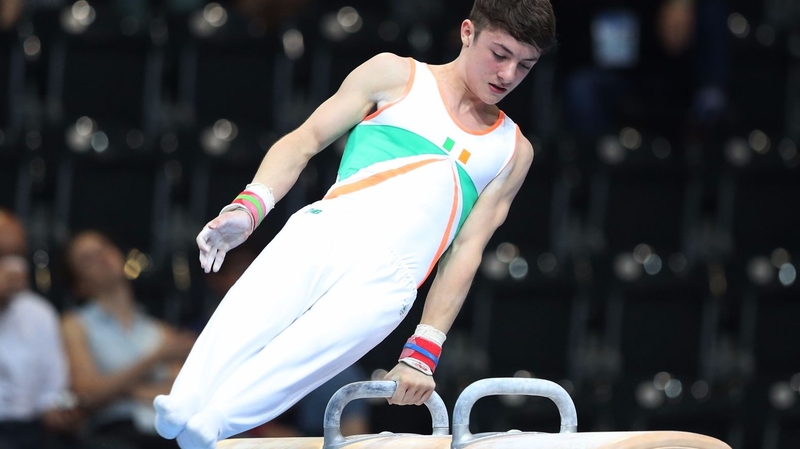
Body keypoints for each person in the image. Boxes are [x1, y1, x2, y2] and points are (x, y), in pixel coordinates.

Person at [154, 1, 556, 447]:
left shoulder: (511, 151)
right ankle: (185, 401)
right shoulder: (395, 75)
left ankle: (218, 420)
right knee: (248, 313)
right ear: (467, 32)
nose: (508, 74)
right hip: (329, 228)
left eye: (525, 66)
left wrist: (424, 350)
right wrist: (250, 206)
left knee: (302, 358)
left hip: (391, 280)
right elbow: (305, 140)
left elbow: (466, 250)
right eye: (500, 54)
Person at [61, 230, 196, 449]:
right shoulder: (75, 325)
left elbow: (182, 390)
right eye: (88, 258)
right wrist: (156, 358)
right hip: (114, 433)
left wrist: (121, 390)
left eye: (104, 248)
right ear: (79, 285)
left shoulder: (158, 329)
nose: (102, 257)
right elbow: (86, 394)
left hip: (165, 431)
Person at [0, 209, 81, 449]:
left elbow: (53, 387)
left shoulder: (39, 313)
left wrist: (59, 410)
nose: (11, 264)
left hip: (30, 431)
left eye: (16, 254)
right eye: (2, 254)